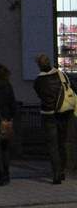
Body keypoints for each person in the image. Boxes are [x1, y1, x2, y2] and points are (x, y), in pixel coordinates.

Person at [33, 54, 74, 184]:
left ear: (39, 65)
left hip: (48, 114)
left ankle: (56, 173)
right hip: (64, 112)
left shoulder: (38, 81)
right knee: (62, 142)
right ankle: (62, 171)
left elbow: (40, 95)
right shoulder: (61, 75)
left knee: (52, 145)